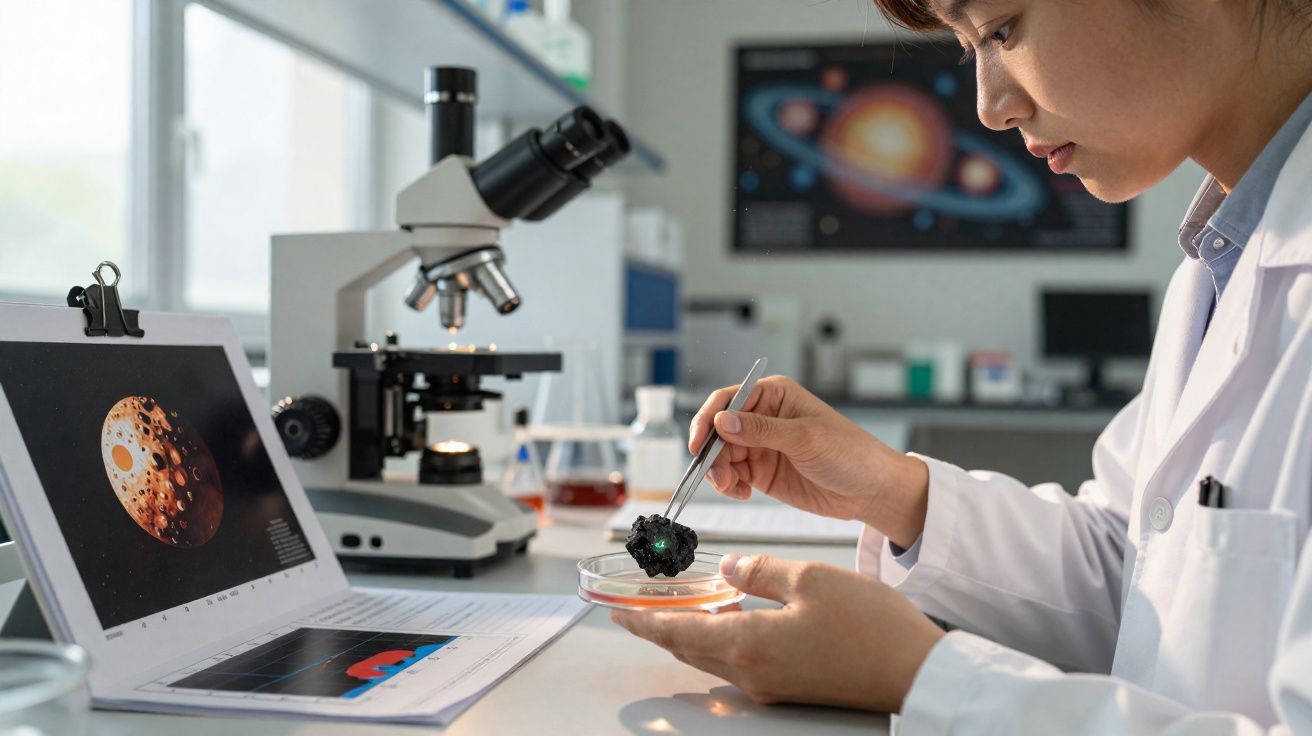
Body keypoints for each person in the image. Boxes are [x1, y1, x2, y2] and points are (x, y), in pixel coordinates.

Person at [611, 0, 1312, 732]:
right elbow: (1140, 572)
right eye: (969, 49)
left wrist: (925, 679)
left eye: (1001, 30)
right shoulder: (1222, 262)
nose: (989, 108)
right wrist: (889, 488)